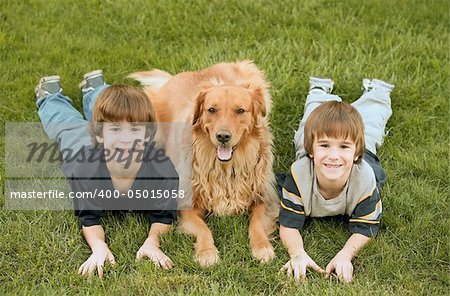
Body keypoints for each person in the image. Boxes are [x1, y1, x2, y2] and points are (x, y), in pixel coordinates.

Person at [35, 70, 179, 277]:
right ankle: (50, 97)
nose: (126, 140)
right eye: (115, 130)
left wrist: (153, 242)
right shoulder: (84, 170)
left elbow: (164, 217)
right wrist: (98, 246)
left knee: (118, 108)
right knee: (69, 126)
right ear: (99, 135)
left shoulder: (163, 171)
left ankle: (95, 89)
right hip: (83, 149)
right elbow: (90, 219)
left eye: (135, 130)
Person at [278, 76, 394, 283]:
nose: (333, 155)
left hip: (359, 161)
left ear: (356, 153)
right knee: (309, 123)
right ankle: (319, 91)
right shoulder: (299, 174)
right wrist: (297, 254)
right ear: (312, 150)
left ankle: (377, 93)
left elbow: (367, 226)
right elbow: (289, 223)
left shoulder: (365, 178)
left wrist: (345, 255)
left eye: (343, 146)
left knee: (370, 128)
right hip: (310, 163)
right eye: (324, 146)